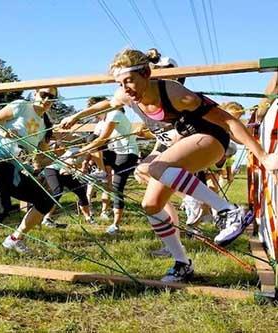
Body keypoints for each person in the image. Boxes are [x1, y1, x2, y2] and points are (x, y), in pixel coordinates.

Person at [60, 48, 278, 282]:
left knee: (154, 168)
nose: (125, 89)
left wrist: (263, 156)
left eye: (129, 81)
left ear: (145, 73)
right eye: (120, 83)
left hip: (212, 139)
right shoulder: (126, 96)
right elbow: (107, 104)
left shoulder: (174, 92)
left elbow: (228, 120)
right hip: (187, 142)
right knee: (151, 204)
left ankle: (228, 210)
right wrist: (76, 117)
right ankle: (182, 264)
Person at [0, 88, 57, 263]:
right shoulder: (21, 106)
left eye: (52, 97)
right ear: (35, 93)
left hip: (14, 169)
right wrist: (3, 132)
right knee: (0, 208)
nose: (47, 99)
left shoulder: (45, 124)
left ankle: (14, 239)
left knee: (46, 200)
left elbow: (42, 155)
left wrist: (55, 155)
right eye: (44, 94)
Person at [71, 106, 139, 235]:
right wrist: (84, 161)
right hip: (113, 152)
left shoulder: (115, 114)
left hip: (126, 153)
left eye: (95, 112)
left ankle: (116, 225)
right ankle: (102, 170)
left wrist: (80, 152)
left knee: (117, 187)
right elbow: (94, 141)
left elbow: (101, 139)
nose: (94, 116)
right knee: (91, 139)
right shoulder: (101, 123)